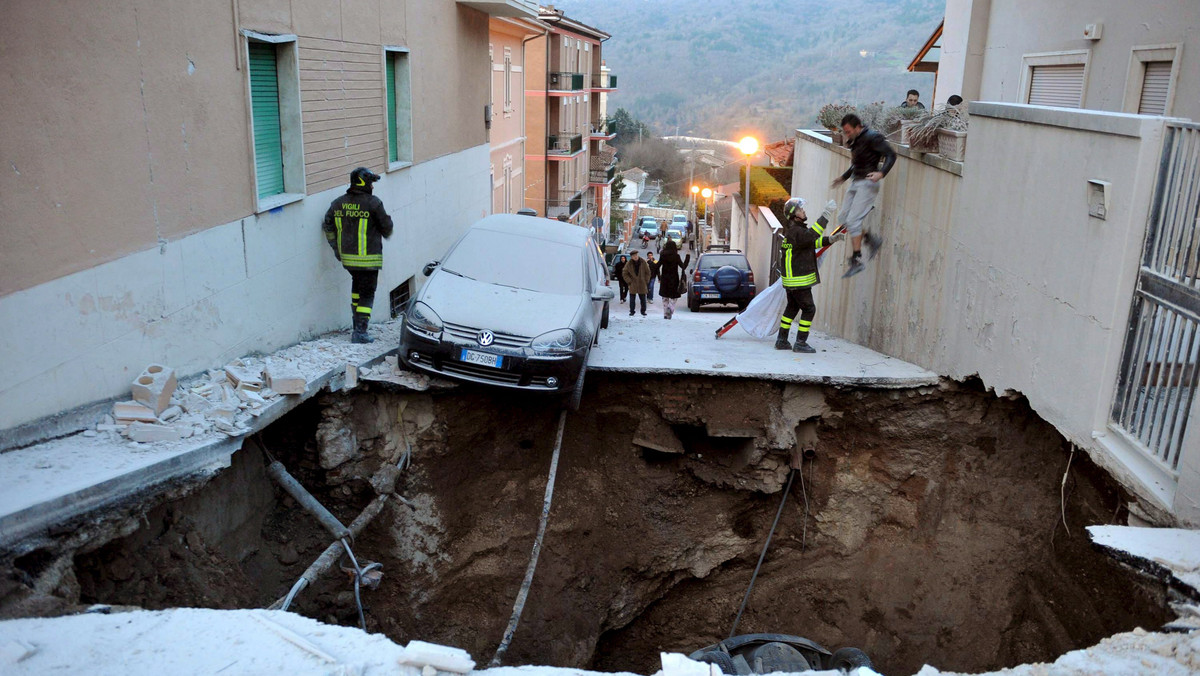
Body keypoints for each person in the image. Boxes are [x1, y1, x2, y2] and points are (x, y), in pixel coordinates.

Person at [322, 167, 394, 343]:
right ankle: (360, 332)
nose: (372, 187)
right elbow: (387, 228)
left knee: (357, 289)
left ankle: (356, 325)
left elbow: (328, 226)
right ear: (365, 183)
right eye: (371, 183)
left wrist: (335, 248)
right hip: (368, 260)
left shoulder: (337, 203)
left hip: (347, 259)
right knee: (367, 293)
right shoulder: (373, 203)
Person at [831, 113, 896, 278]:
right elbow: (856, 164)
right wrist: (843, 178)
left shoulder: (873, 137)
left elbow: (891, 155)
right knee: (843, 218)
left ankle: (856, 260)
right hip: (856, 181)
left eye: (848, 131)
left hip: (868, 183)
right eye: (845, 132)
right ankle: (870, 239)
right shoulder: (857, 141)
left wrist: (881, 174)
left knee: (853, 221)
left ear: (857, 126)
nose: (847, 134)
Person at [776, 197, 844, 353]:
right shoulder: (797, 231)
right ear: (794, 215)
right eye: (800, 209)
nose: (804, 211)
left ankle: (782, 340)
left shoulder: (794, 232)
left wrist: (831, 239)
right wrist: (825, 215)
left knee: (792, 308)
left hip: (791, 281)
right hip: (799, 281)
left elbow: (811, 243)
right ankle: (800, 343)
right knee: (809, 309)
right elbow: (812, 236)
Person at [656, 239, 690, 319]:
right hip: (674, 279)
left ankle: (665, 314)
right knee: (674, 297)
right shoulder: (676, 256)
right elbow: (683, 267)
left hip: (664, 279)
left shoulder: (662, 255)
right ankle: (670, 308)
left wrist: (658, 276)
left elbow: (657, 266)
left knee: (665, 297)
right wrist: (687, 257)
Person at [622, 249, 651, 317]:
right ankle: (632, 311)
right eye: (634, 256)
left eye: (636, 255)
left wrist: (646, 280)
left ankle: (643, 311)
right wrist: (629, 281)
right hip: (633, 283)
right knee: (632, 299)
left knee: (643, 298)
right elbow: (624, 273)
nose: (635, 257)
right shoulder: (628, 264)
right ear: (631, 257)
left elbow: (648, 272)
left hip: (642, 282)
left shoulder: (643, 262)